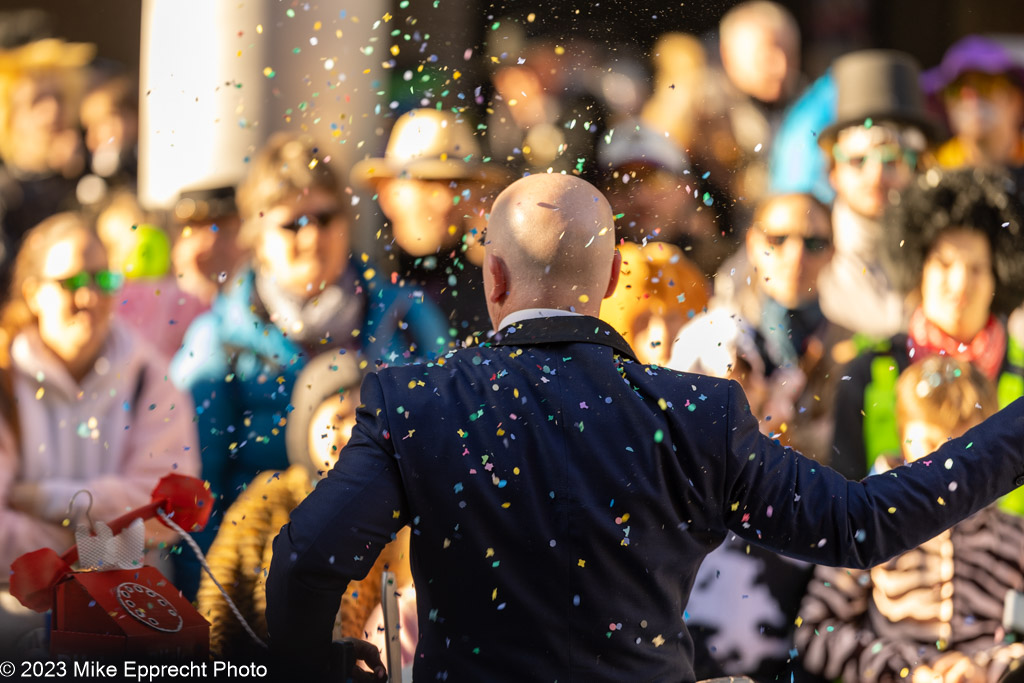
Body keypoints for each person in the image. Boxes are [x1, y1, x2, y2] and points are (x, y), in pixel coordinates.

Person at [266, 173, 1024, 683]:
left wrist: (317, 665)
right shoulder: (696, 414)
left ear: (492, 279)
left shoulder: (419, 402)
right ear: (606, 281)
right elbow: (864, 526)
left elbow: (306, 559)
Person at [170, 132, 448, 599]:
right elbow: (193, 501)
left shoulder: (408, 319)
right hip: (259, 585)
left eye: (325, 216)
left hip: (391, 583)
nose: (312, 235)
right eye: (292, 222)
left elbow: (448, 459)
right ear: (257, 233)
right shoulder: (216, 344)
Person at [0, 211, 198, 646]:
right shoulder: (3, 379)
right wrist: (91, 542)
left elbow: (167, 511)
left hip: (128, 606)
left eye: (102, 279)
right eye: (70, 282)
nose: (88, 296)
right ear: (33, 294)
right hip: (16, 610)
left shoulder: (150, 375)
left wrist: (47, 501)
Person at [798, 356, 1024, 682]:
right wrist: (908, 672)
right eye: (932, 446)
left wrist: (988, 669)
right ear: (904, 437)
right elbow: (815, 632)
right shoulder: (868, 522)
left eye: (965, 449)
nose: (949, 467)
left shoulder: (1014, 538)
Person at [197, 351, 411, 660]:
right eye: (338, 417)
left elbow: (406, 604)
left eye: (361, 422)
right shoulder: (270, 496)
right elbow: (218, 595)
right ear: (308, 421)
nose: (350, 432)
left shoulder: (388, 514)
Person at [830, 167, 1024, 482]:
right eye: (944, 264)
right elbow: (840, 508)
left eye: (977, 268)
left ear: (998, 277)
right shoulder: (863, 374)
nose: (960, 283)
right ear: (919, 267)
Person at [815, 49, 940, 340]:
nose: (876, 176)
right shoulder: (801, 244)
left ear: (918, 169)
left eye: (891, 160)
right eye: (858, 160)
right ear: (834, 172)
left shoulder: (947, 249)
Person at [351, 108, 505, 339]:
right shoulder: (352, 293)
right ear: (388, 194)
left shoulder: (496, 297)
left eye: (457, 183)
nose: (445, 201)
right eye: (427, 182)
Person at [923, 35, 1024, 170]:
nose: (970, 98)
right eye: (955, 88)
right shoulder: (931, 171)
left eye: (985, 85)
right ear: (946, 106)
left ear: (1016, 102)